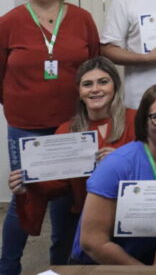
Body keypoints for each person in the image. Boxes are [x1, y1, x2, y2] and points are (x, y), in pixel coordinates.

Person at [0, 0, 100, 273]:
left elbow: (94, 65)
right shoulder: (9, 22)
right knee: (25, 200)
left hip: (71, 126)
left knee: (67, 203)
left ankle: (60, 267)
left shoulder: (82, 19)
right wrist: (18, 105)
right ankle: (7, 266)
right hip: (25, 127)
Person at [8, 57, 137, 266]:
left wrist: (121, 161)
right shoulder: (67, 130)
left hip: (131, 216)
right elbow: (56, 186)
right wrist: (27, 185)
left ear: (115, 85)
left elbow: (155, 170)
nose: (95, 89)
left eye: (103, 82)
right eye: (88, 84)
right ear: (79, 91)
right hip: (86, 220)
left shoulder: (136, 121)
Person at [70, 82, 156, 265]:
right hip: (100, 264)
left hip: (150, 257)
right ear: (144, 120)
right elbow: (92, 243)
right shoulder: (117, 165)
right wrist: (145, 272)